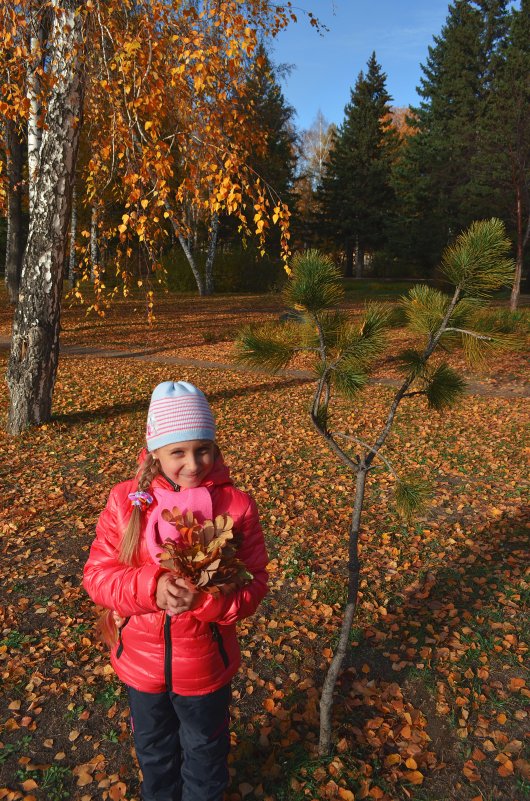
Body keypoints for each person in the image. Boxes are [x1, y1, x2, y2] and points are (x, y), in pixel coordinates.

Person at [83, 381, 269, 801]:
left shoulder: (236, 507)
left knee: (204, 756)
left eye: (202, 449)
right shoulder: (126, 501)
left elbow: (254, 585)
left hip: (205, 668)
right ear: (156, 453)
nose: (192, 463)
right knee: (154, 753)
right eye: (177, 452)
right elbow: (98, 575)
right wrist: (150, 586)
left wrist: (206, 601)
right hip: (141, 667)